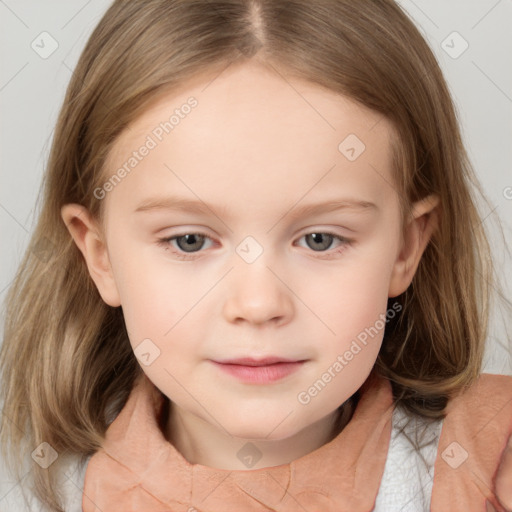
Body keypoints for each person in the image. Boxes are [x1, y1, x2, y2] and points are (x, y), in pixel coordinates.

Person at [1, 0, 511, 511]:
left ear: (406, 246)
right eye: (190, 241)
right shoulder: (30, 491)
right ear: (101, 256)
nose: (259, 303)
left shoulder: (486, 463)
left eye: (320, 239)